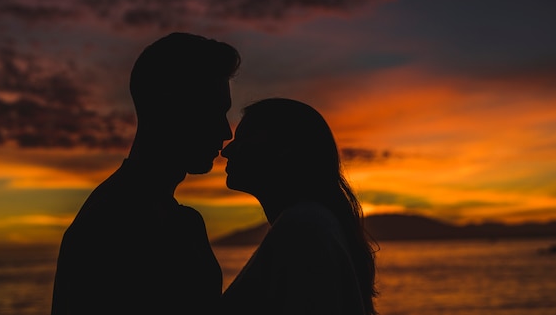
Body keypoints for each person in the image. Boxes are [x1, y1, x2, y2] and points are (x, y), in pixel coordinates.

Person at [51, 32, 241, 315]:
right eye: (213, 111)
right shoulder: (116, 224)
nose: (226, 132)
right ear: (170, 108)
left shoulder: (163, 217)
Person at [220, 98, 378, 315]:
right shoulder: (313, 223)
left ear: (285, 148)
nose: (227, 151)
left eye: (245, 138)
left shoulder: (304, 226)